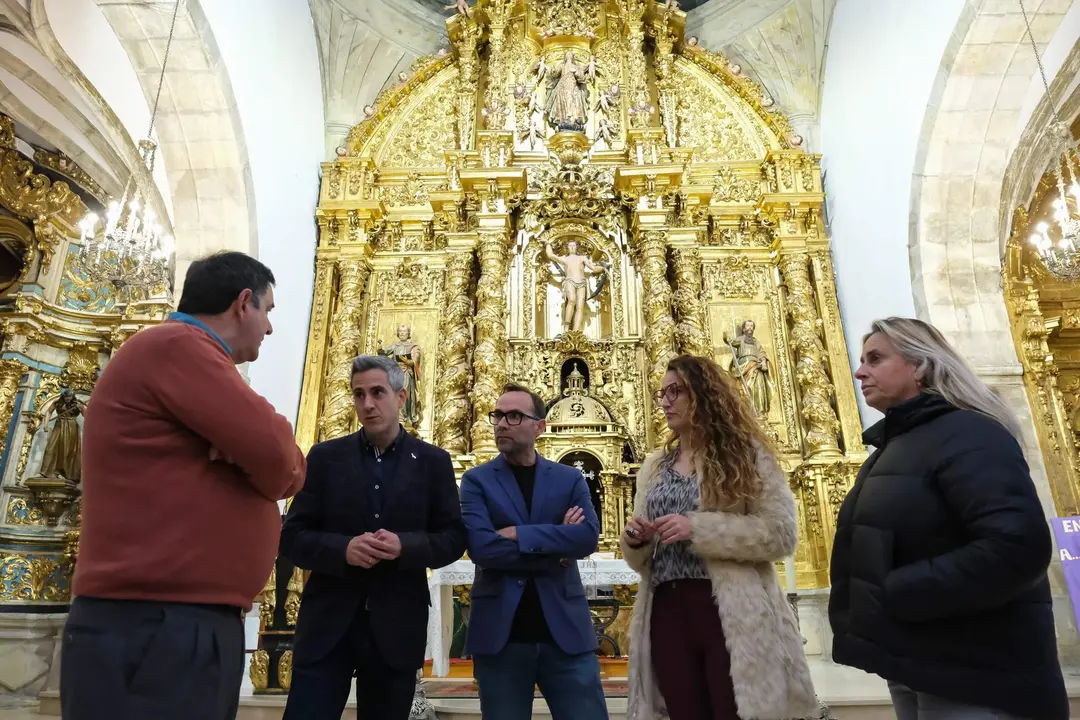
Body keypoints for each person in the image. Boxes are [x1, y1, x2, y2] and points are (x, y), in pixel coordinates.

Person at [62, 251, 305, 720]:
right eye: (268, 310)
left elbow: (274, 461)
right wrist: (254, 453)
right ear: (242, 303)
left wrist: (243, 452)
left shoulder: (183, 354)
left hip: (169, 620)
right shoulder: (178, 347)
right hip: (159, 624)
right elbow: (282, 463)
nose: (270, 328)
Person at [830, 317, 1068, 720]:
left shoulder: (970, 434)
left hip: (975, 666)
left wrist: (898, 591)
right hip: (915, 654)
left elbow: (1016, 547)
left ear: (920, 365)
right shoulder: (895, 446)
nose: (859, 371)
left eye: (875, 359)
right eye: (861, 359)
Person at [621, 355, 816, 720]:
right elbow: (642, 556)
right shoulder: (654, 466)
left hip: (726, 610)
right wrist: (636, 540)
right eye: (662, 393)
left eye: (675, 391)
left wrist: (698, 528)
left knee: (732, 711)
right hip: (665, 608)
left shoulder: (746, 456)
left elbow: (780, 534)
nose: (664, 401)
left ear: (704, 394)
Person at [280, 354, 467, 720]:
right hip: (328, 625)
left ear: (401, 397)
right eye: (358, 394)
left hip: (395, 627)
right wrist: (342, 549)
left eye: (377, 392)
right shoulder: (325, 457)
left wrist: (406, 546)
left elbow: (453, 538)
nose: (367, 404)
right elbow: (292, 537)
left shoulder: (432, 462)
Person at [460, 383, 608, 720]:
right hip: (502, 636)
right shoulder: (476, 481)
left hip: (566, 635)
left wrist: (518, 535)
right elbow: (482, 548)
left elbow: (586, 538)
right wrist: (556, 543)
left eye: (514, 416)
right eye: (497, 415)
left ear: (539, 426)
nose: (500, 423)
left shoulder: (568, 479)